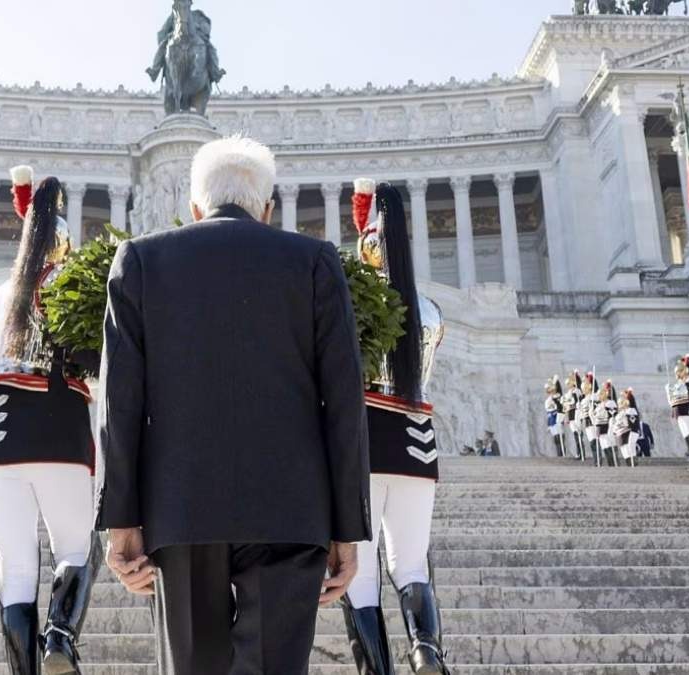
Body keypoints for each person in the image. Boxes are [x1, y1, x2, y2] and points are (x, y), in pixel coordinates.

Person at [98, 137, 371, 674]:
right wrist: (347, 526)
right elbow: (344, 404)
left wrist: (121, 520)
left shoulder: (141, 260)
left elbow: (120, 403)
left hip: (181, 507)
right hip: (290, 511)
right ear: (267, 210)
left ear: (195, 208)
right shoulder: (315, 262)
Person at [0, 167, 101, 675]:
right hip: (57, 433)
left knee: (16, 566)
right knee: (76, 546)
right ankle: (61, 638)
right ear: (63, 248)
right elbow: (91, 361)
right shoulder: (70, 289)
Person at [343, 180, 450, 675]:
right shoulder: (429, 312)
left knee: (360, 577)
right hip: (416, 447)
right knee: (411, 565)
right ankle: (425, 649)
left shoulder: (353, 309)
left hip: (363, 449)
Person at [563, 371, 585, 460]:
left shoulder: (577, 391)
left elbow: (577, 402)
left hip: (577, 414)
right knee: (575, 435)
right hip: (571, 414)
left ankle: (581, 453)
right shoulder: (569, 392)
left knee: (579, 434)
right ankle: (578, 452)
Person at [544, 376, 566, 458]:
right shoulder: (547, 401)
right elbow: (548, 413)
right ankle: (559, 454)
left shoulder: (558, 397)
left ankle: (562, 454)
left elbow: (561, 407)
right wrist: (549, 424)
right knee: (556, 439)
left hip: (558, 418)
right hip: (552, 421)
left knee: (560, 437)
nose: (551, 393)